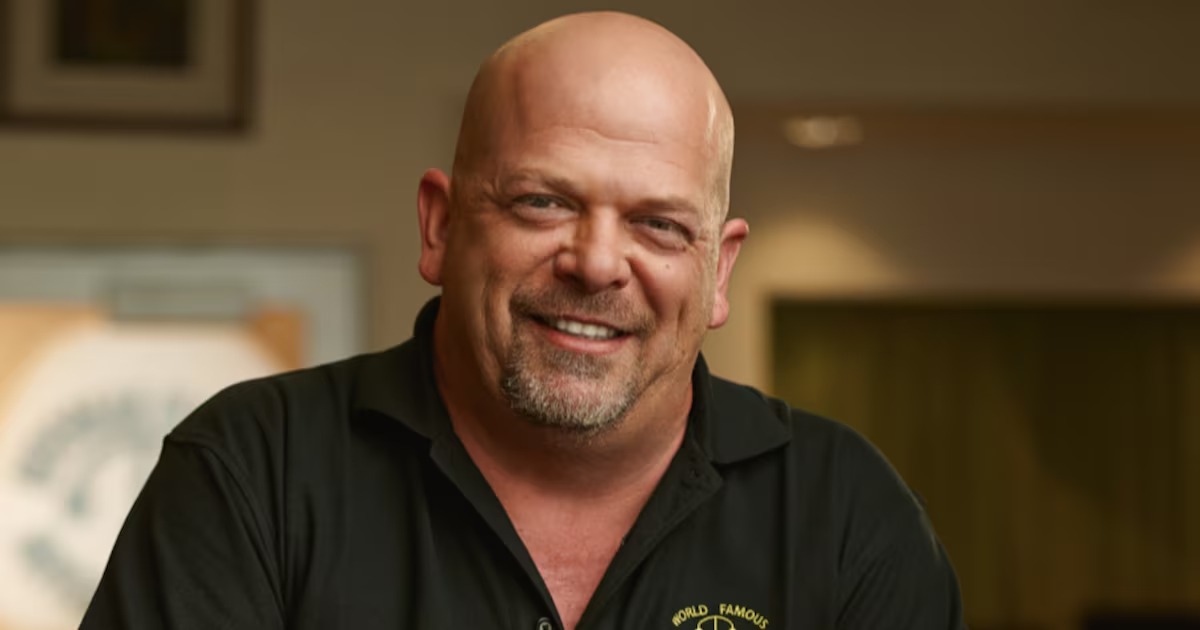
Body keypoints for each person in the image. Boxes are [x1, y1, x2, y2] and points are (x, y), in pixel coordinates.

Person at [81, 11, 965, 630]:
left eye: (659, 224)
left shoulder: (845, 514)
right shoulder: (252, 475)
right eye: (544, 202)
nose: (596, 262)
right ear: (440, 225)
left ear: (717, 270)